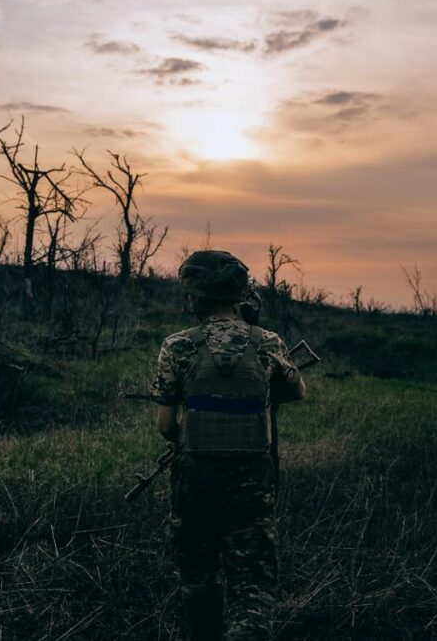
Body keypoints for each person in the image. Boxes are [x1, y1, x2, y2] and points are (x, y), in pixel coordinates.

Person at [149, 250, 307, 641]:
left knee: (198, 575)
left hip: (195, 478)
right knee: (252, 583)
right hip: (252, 479)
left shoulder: (177, 346)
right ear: (239, 295)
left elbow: (166, 426)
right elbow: (298, 391)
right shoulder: (267, 342)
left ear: (193, 296)